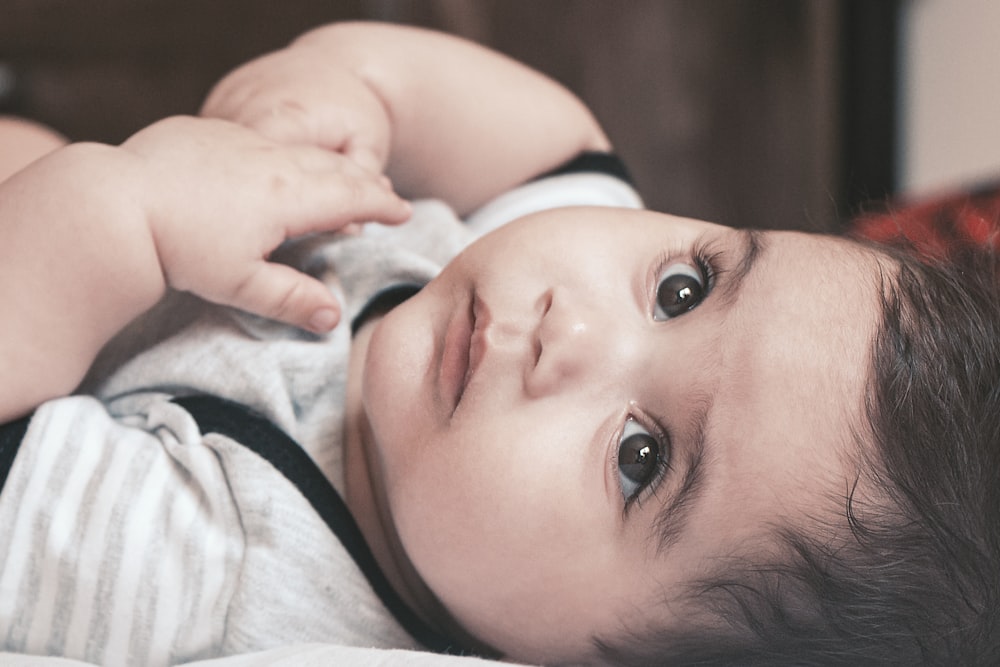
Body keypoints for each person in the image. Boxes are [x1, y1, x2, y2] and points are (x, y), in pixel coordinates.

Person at [1, 20, 997, 667]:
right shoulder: (540, 275)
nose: (572, 332)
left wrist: (117, 216)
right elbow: (556, 141)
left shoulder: (215, 568)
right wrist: (352, 92)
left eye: (639, 458)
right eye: (685, 286)